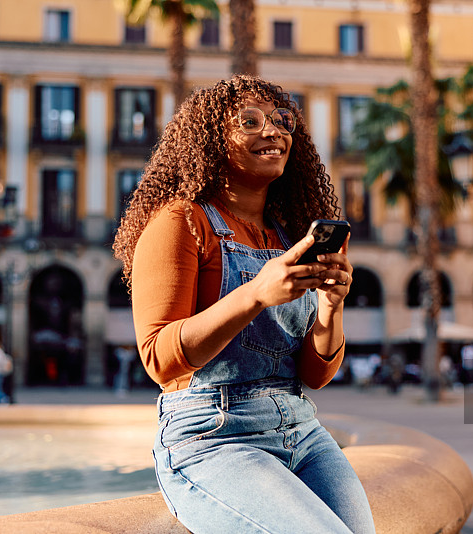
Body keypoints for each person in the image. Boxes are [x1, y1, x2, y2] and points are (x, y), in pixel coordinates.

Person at [113, 75, 375, 534]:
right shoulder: (181, 222)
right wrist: (254, 293)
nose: (273, 131)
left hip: (301, 428)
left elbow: (314, 376)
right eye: (249, 122)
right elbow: (159, 358)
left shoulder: (289, 233)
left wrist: (331, 307)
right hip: (212, 435)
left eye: (281, 120)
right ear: (212, 140)